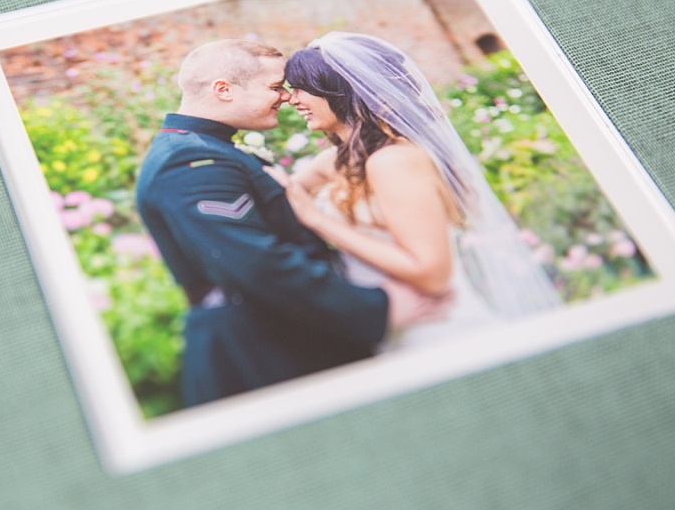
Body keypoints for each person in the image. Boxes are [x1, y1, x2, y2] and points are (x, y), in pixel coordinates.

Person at [135, 39, 448, 408]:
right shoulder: (189, 162)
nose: (285, 97)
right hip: (263, 352)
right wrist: (375, 307)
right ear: (224, 90)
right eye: (274, 87)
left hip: (286, 336)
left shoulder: (206, 149)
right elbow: (256, 263)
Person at [272, 32, 562, 351]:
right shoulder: (336, 162)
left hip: (439, 330)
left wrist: (318, 220)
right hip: (394, 330)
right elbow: (281, 191)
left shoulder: (394, 161)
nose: (293, 99)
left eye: (302, 89)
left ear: (342, 91)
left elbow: (432, 274)